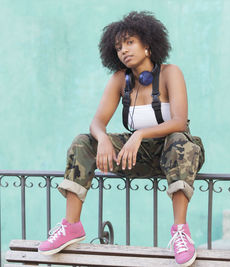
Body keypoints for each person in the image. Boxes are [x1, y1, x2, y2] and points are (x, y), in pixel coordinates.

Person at [39, 11, 205, 267]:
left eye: (130, 42)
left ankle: (181, 232)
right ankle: (71, 225)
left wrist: (139, 134)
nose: (124, 51)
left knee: (179, 141)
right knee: (83, 141)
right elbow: (96, 122)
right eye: (118, 47)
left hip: (174, 155)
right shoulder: (120, 80)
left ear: (147, 45)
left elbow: (180, 122)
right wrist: (102, 138)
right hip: (134, 155)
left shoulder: (170, 73)